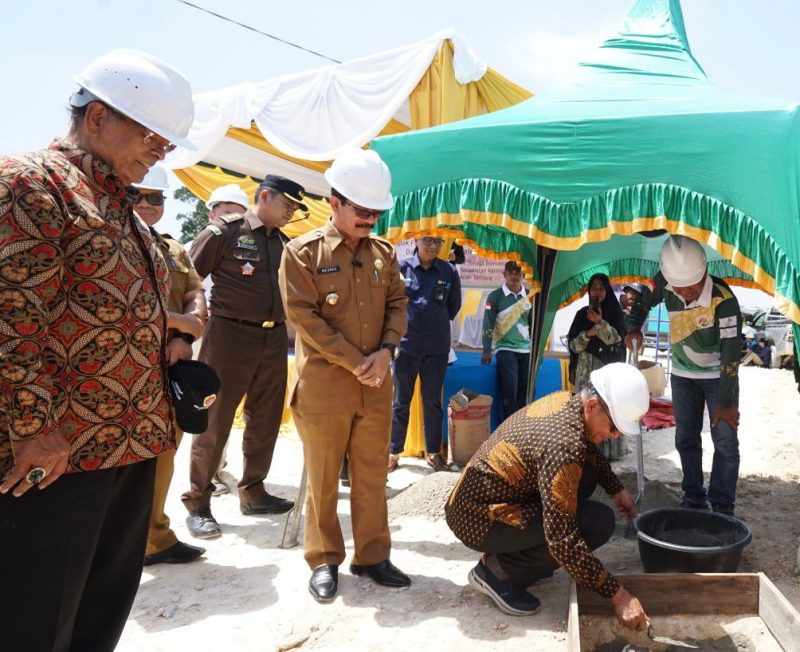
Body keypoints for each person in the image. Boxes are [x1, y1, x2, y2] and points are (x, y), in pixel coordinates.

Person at [0, 50, 195, 651]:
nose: (161, 152)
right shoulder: (30, 183)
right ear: (98, 116)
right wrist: (33, 429)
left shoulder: (123, 207)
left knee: (98, 615)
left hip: (131, 446)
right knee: (36, 621)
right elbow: (12, 316)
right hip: (59, 458)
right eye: (151, 136)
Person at [279, 148, 410, 603]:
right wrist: (357, 361)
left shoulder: (383, 254)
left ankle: (372, 555)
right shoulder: (301, 254)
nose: (370, 218)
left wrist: (387, 352)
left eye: (376, 212)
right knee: (323, 476)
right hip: (325, 388)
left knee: (373, 475)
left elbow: (398, 304)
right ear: (334, 202)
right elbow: (304, 318)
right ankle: (324, 559)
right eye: (361, 209)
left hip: (375, 385)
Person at [445, 363, 651, 631]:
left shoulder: (570, 403)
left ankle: (525, 559)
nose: (612, 436)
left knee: (585, 474)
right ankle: (496, 572)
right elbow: (562, 539)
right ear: (592, 406)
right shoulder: (564, 445)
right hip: (478, 517)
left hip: (488, 500)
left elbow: (591, 454)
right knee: (595, 524)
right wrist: (619, 596)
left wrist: (616, 488)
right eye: (613, 428)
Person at [182, 175, 307, 538]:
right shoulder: (223, 233)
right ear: (265, 197)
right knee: (214, 419)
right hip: (228, 336)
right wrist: (183, 329)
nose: (292, 213)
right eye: (288, 205)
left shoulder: (284, 244)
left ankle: (253, 491)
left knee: (265, 418)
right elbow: (188, 280)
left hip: (273, 339)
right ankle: (198, 502)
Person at [626, 235, 742, 516]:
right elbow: (642, 300)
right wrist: (634, 326)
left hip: (718, 377)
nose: (685, 295)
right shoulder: (666, 284)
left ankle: (723, 506)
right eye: (679, 289)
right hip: (681, 375)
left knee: (725, 440)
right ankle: (693, 496)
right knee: (686, 437)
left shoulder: (724, 301)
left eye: (690, 289)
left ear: (703, 274)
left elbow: (730, 356)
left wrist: (726, 403)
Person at [129, 166, 208, 566]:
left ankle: (154, 538)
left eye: (155, 198)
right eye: (136, 195)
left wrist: (185, 336)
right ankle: (117, 545)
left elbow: (196, 295)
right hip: (120, 371)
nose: (146, 204)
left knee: (163, 455)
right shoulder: (108, 239)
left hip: (168, 373)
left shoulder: (174, 248)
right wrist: (179, 321)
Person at [390, 236, 461, 472]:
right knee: (400, 402)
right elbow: (392, 302)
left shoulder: (448, 270)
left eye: (438, 242)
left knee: (432, 402)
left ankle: (434, 453)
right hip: (406, 346)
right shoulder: (401, 267)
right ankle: (392, 453)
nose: (433, 246)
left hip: (436, 348)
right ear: (417, 241)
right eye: (428, 241)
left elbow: (454, 306)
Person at [481, 261, 532, 420]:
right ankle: (511, 430)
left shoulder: (531, 296)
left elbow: (534, 324)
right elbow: (488, 322)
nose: (514, 275)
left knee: (526, 392)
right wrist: (486, 349)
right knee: (509, 392)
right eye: (510, 272)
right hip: (505, 349)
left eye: (518, 272)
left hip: (527, 350)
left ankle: (523, 429)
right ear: (504, 275)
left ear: (523, 275)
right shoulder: (495, 296)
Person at [567, 273, 627, 391]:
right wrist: (588, 334)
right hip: (585, 376)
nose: (597, 292)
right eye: (593, 288)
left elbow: (616, 339)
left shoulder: (615, 313)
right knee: (585, 407)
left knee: (604, 407)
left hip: (607, 375)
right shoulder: (581, 315)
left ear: (607, 291)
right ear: (589, 291)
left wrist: (600, 323)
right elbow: (573, 346)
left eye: (601, 289)